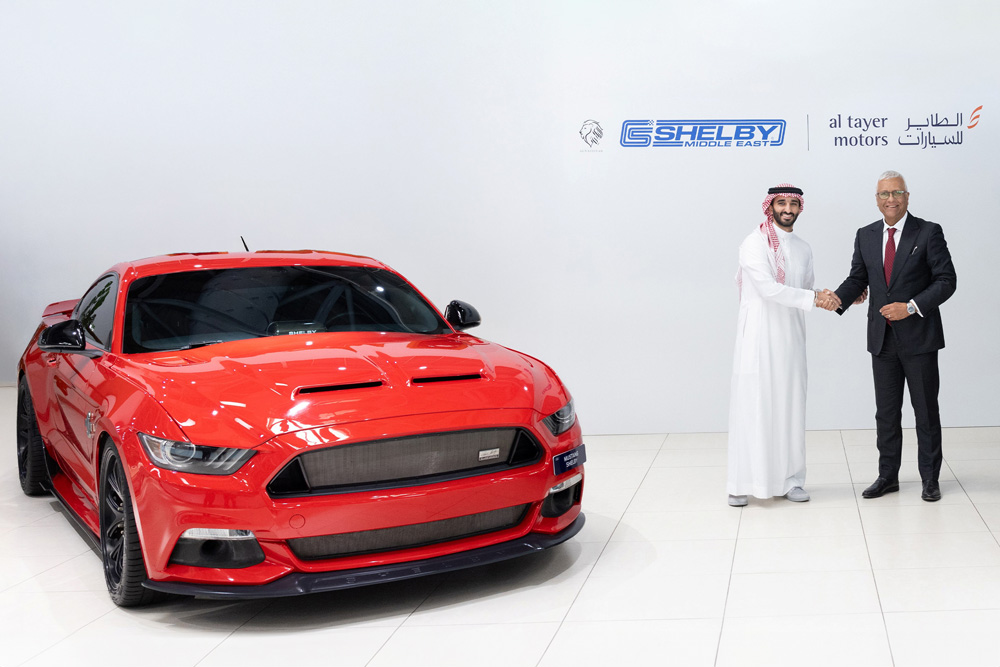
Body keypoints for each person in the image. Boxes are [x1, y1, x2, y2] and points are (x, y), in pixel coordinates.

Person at [833, 171, 956, 502]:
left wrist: (912, 307)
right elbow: (858, 277)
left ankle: (930, 479)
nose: (891, 199)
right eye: (884, 194)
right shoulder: (866, 235)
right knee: (886, 413)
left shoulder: (928, 232)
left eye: (897, 192)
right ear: (876, 199)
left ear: (907, 196)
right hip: (881, 340)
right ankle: (888, 476)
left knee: (925, 411)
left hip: (919, 339)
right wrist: (836, 299)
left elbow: (946, 280)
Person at [727, 184, 842, 507]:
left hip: (791, 340)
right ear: (770, 206)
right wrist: (814, 298)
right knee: (754, 406)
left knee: (791, 408)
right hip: (758, 340)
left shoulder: (803, 247)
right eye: (782, 203)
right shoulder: (753, 243)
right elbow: (768, 288)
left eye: (794, 203)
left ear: (800, 208)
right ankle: (741, 482)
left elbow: (805, 290)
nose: (788, 209)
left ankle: (792, 480)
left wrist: (839, 298)